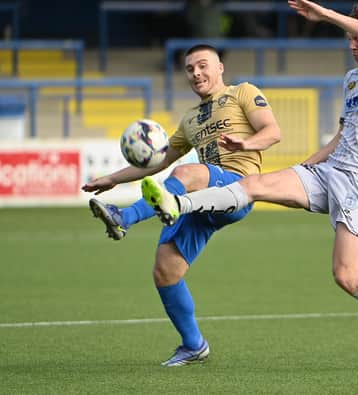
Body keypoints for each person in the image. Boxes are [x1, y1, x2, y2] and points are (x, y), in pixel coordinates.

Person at [142, 0, 358, 368]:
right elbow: (341, 138)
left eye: (356, 39)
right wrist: (306, 167)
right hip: (330, 172)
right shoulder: (352, 80)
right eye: (348, 39)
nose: (351, 45)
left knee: (347, 276)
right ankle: (178, 204)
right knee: (254, 185)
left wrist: (326, 16)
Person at [81, 44, 281, 367]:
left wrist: (246, 143)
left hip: (240, 187)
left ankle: (125, 217)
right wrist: (113, 179)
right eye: (190, 69)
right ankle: (193, 345)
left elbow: (273, 132)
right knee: (165, 270)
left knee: (187, 172)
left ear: (220, 68)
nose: (196, 73)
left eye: (203, 65)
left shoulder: (243, 93)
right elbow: (159, 161)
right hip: (205, 199)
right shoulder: (190, 120)